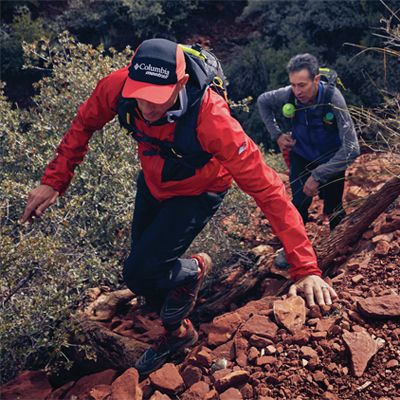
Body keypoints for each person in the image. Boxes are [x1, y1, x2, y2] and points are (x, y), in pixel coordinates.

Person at [20, 39, 337, 376]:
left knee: (140, 272)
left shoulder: (212, 118)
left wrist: (306, 268)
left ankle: (194, 269)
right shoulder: (118, 87)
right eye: (140, 95)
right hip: (154, 183)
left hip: (199, 191)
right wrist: (55, 180)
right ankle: (178, 333)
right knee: (145, 277)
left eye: (157, 98)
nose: (147, 107)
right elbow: (83, 125)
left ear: (181, 84)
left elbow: (268, 188)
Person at [257, 53, 359, 231]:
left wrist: (318, 175)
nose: (297, 91)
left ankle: (339, 251)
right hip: (302, 155)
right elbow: (262, 101)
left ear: (316, 79)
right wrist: (277, 135)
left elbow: (352, 148)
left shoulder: (332, 98)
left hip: (331, 158)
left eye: (302, 85)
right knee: (298, 204)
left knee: (334, 209)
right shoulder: (289, 95)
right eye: (293, 85)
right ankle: (294, 252)